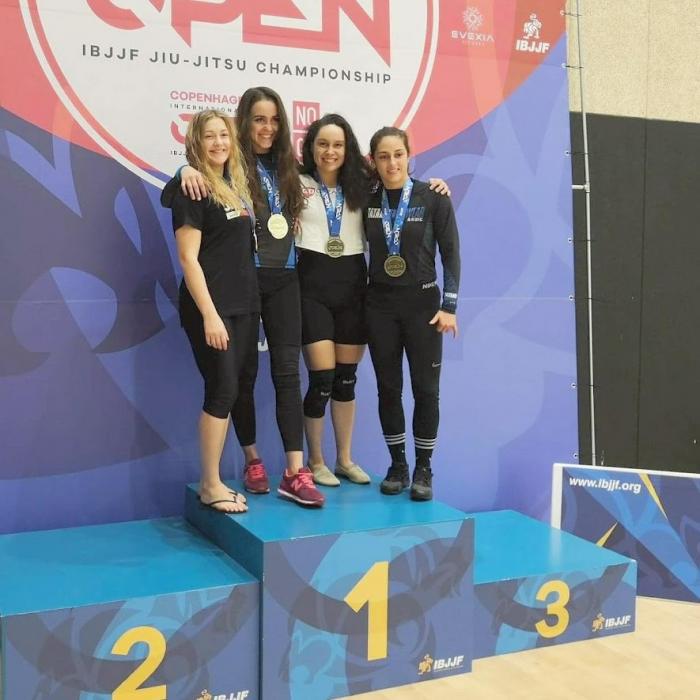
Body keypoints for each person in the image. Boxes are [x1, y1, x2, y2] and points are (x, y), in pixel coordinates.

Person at [163, 87, 324, 507]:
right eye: (258, 119)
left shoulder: (260, 173)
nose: (267, 127)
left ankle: (293, 471)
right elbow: (185, 238)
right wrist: (184, 169)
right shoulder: (206, 179)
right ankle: (231, 472)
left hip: (262, 290)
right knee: (230, 386)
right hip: (224, 298)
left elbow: (337, 171)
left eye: (274, 119)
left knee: (271, 376)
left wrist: (425, 186)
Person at [364, 127, 460, 501]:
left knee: (426, 390)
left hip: (423, 307)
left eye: (398, 154)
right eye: (383, 156)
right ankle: (398, 465)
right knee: (388, 388)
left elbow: (451, 253)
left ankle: (424, 468)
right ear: (373, 160)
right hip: (380, 308)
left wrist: (449, 306)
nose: (392, 163)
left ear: (409, 154)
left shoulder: (432, 196)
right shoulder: (365, 199)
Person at [170, 109, 258, 513]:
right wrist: (209, 315)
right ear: (196, 142)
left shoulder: (233, 185)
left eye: (224, 134)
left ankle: (215, 480)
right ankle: (210, 483)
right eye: (210, 136)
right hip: (212, 308)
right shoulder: (193, 188)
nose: (219, 142)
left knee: (232, 389)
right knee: (221, 390)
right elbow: (188, 259)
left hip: (243, 305)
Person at [295, 114, 373, 487]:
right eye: (323, 144)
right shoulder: (294, 182)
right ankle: (316, 460)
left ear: (348, 149)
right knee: (321, 378)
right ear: (311, 147)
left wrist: (436, 186)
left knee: (346, 379)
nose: (330, 151)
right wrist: (185, 170)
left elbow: (404, 185)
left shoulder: (363, 185)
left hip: (353, 286)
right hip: (311, 287)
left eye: (338, 145)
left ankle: (344, 459)